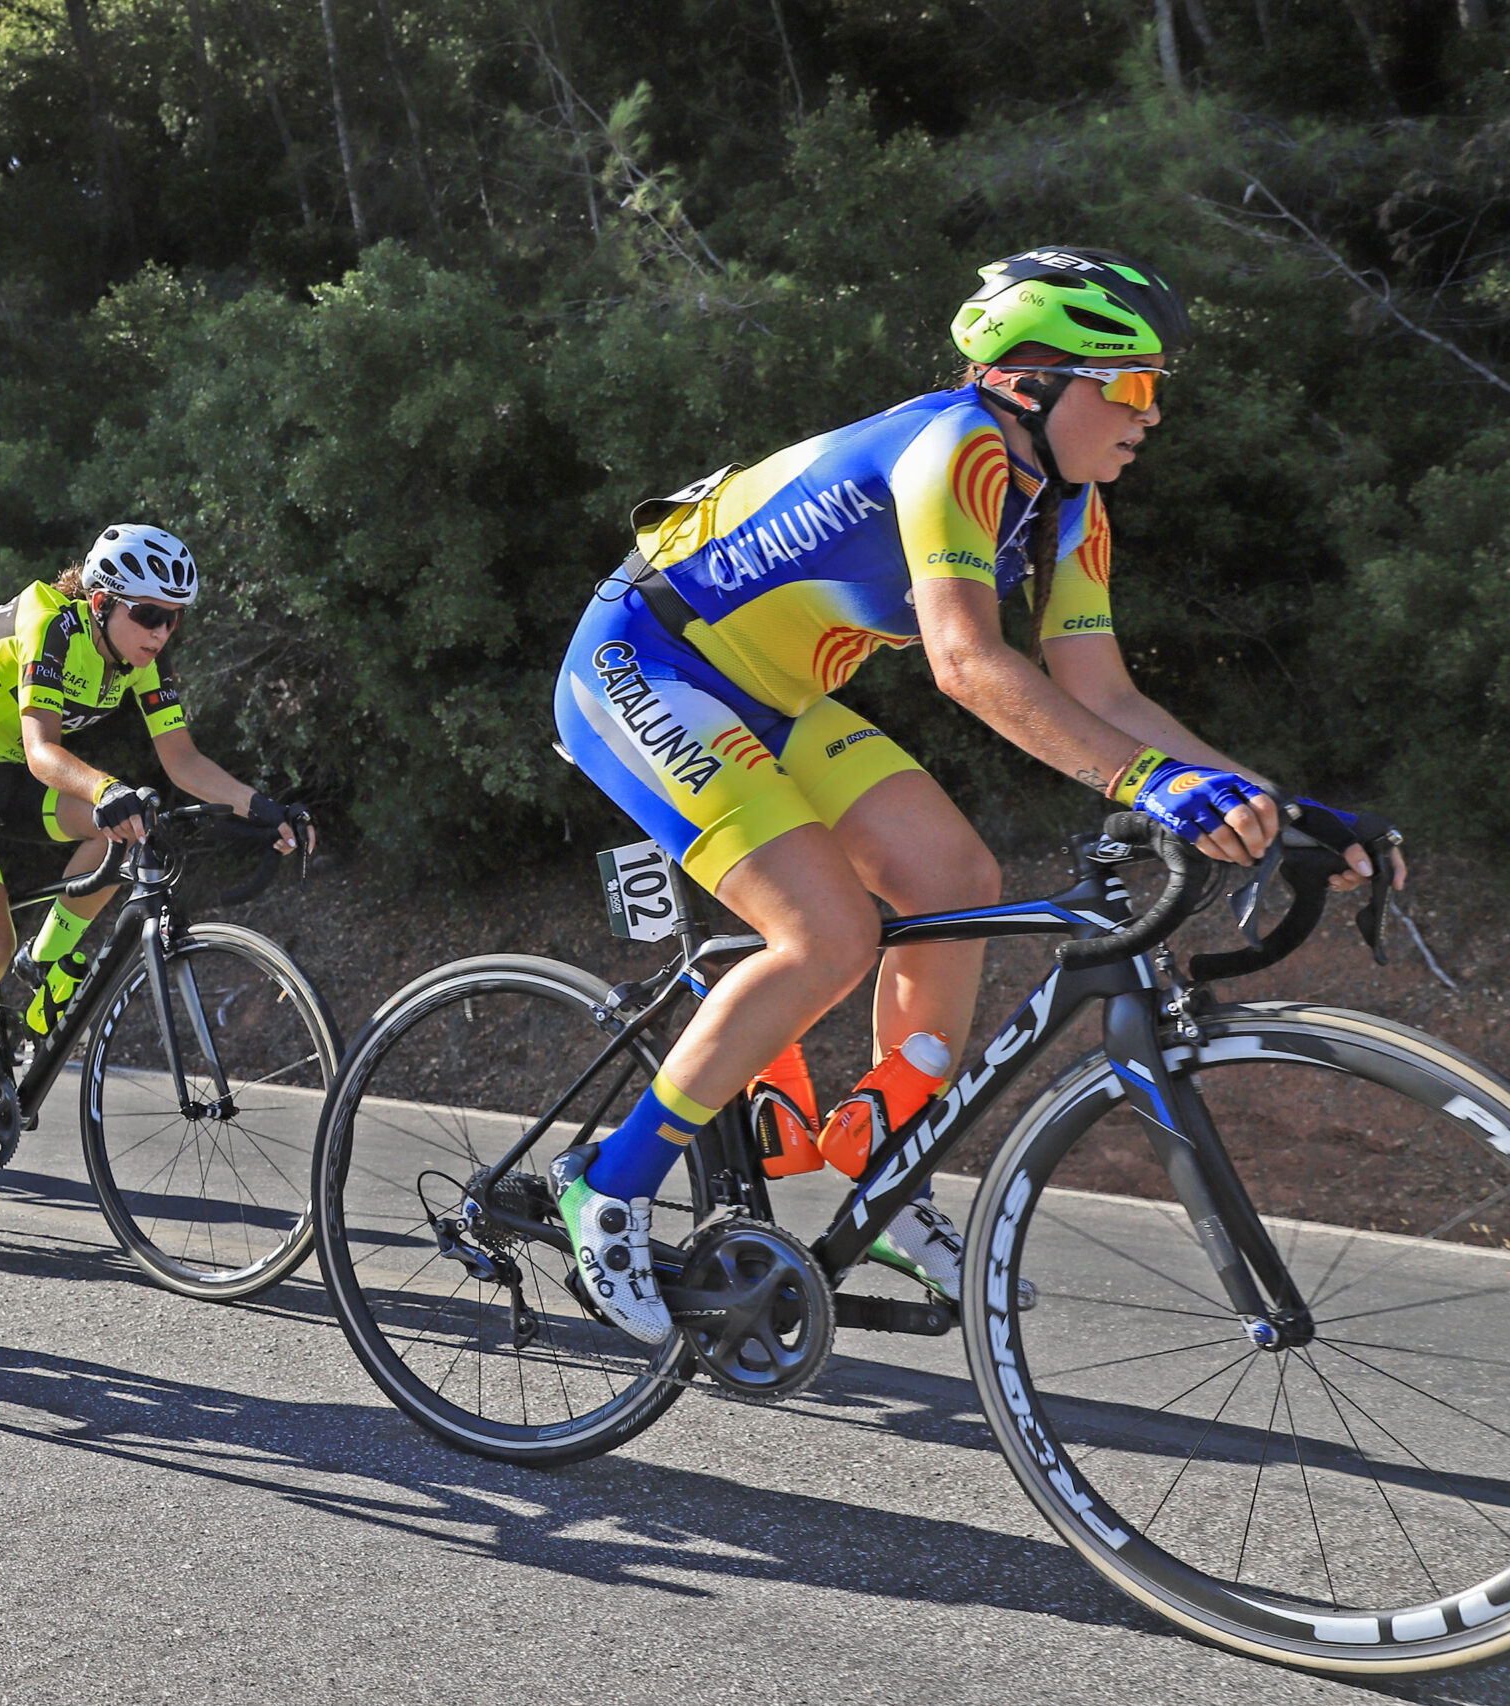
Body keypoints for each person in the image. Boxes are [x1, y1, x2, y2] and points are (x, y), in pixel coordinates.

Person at [552, 247, 1403, 1341]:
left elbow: (1103, 693)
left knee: (955, 876)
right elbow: (963, 662)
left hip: (776, 695)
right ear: (1028, 381)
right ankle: (609, 1185)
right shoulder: (952, 446)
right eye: (1130, 385)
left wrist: (1275, 808)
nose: (1149, 414)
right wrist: (1156, 787)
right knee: (824, 935)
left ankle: (878, 1150)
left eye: (1157, 390)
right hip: (645, 665)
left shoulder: (1068, 506)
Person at [0, 524, 312, 1211]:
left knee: (125, 834)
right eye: (148, 614)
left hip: (15, 782)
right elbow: (41, 751)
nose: (161, 631)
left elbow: (181, 760)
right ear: (100, 602)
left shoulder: (142, 660)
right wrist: (103, 788)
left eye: (173, 618)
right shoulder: (50, 626)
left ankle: (43, 965)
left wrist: (259, 805)